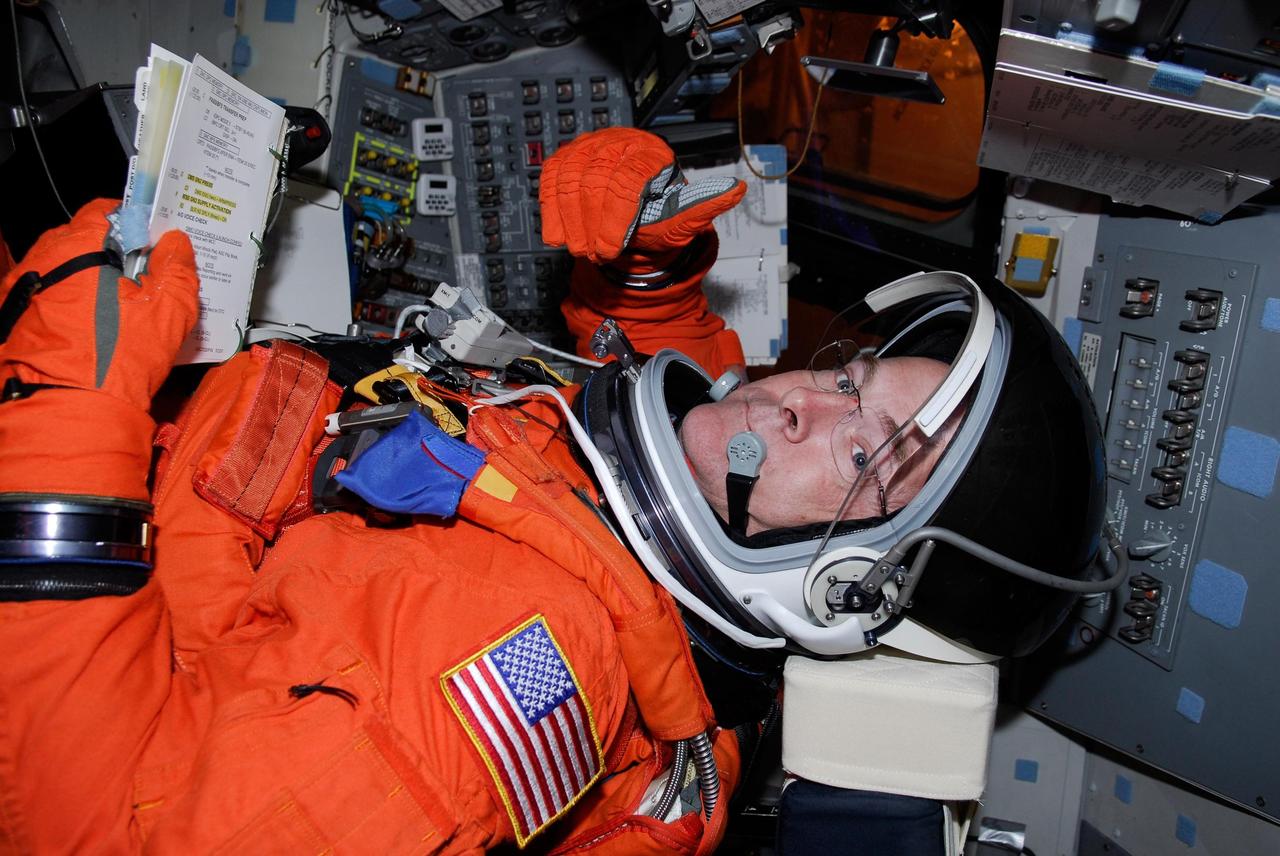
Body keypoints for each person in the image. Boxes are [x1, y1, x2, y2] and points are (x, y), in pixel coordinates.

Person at [0, 128, 1113, 853]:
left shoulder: (516, 670)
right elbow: (654, 439)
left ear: (840, 588)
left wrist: (59, 417)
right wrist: (649, 283)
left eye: (870, 455)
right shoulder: (643, 602)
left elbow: (87, 827)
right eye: (845, 374)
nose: (802, 401)